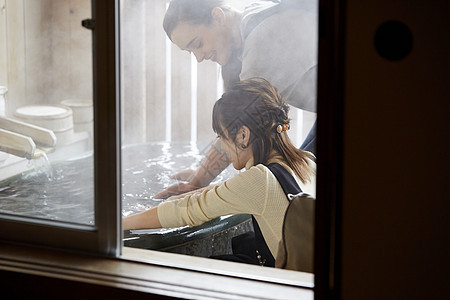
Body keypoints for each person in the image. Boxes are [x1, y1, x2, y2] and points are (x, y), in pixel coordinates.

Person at [124, 77, 316, 266]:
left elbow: (187, 211)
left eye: (221, 136)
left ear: (243, 135)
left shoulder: (260, 180)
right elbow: (221, 191)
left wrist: (119, 223)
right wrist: (183, 195)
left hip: (287, 286)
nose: (222, 146)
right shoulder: (307, 162)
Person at [155, 0, 317, 199]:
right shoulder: (247, 23)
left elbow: (238, 125)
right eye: (191, 52)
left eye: (197, 44)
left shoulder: (263, 38)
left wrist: (199, 181)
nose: (198, 58)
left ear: (218, 17)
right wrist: (200, 175)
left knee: (301, 186)